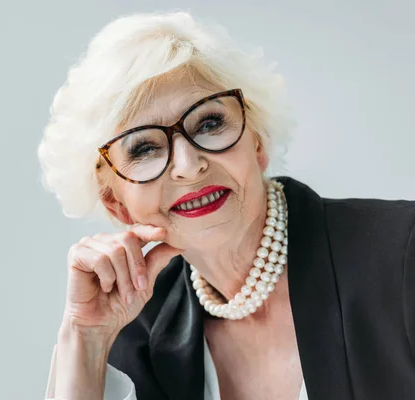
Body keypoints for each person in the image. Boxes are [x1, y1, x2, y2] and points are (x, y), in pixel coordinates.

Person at [37, 12, 415, 400]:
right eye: (145, 148)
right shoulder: (138, 329)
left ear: (257, 141)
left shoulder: (401, 255)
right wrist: (84, 338)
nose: (190, 166)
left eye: (209, 123)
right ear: (117, 204)